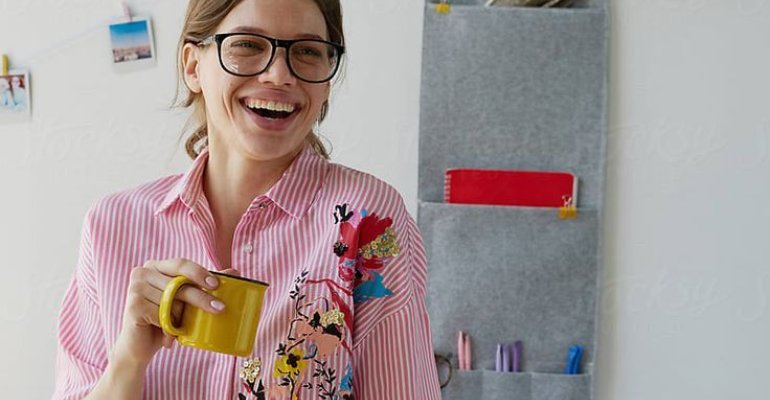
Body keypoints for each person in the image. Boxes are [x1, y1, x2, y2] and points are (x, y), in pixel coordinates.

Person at [52, 0, 441, 399]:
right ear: (193, 66)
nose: (279, 74)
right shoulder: (112, 225)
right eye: (247, 45)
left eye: (307, 51)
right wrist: (128, 361)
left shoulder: (368, 218)